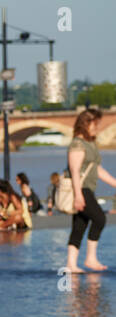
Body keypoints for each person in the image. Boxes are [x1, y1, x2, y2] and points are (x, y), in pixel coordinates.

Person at [63, 108, 116, 273]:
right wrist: (78, 196)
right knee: (99, 218)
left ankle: (71, 264)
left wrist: (115, 183)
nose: (97, 127)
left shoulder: (90, 143)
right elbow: (75, 170)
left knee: (80, 225)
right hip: (81, 189)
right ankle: (90, 258)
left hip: (87, 188)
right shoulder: (77, 144)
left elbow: (97, 169)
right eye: (95, 124)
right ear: (85, 123)